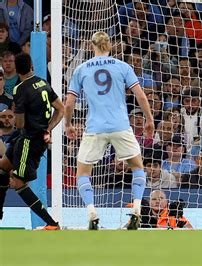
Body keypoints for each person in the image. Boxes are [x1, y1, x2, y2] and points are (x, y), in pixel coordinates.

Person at [64, 32, 154, 230]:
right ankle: (137, 209)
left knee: (83, 173)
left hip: (95, 127)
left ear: (91, 46)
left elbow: (69, 103)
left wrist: (68, 124)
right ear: (110, 46)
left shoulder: (81, 69)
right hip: (121, 125)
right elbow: (141, 95)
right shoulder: (122, 66)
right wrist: (149, 119)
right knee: (137, 167)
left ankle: (91, 212)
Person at [0, 53, 64, 230]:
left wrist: (16, 111)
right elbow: (60, 109)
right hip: (29, 137)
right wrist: (48, 128)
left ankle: (52, 223)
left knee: (19, 183)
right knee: (3, 166)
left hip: (29, 140)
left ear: (17, 70)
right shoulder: (43, 82)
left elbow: (19, 123)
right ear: (31, 66)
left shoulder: (20, 89)